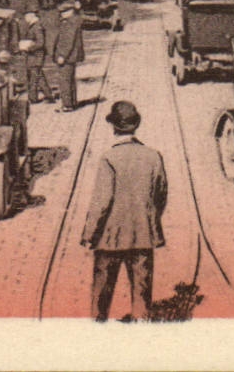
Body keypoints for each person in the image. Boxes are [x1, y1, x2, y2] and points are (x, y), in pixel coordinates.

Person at [81, 101, 168, 323]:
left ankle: (96, 332)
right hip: (142, 236)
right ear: (135, 126)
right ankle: (140, 337)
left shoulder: (109, 158)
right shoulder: (153, 156)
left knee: (101, 293)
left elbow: (101, 202)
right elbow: (160, 195)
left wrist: (89, 234)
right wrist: (149, 220)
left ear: (114, 128)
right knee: (142, 294)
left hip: (109, 237)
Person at [51, 2, 86, 112]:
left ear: (70, 11)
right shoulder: (74, 21)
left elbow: (67, 42)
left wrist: (62, 56)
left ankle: (67, 105)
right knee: (70, 80)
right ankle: (72, 102)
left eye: (64, 12)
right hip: (72, 56)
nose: (61, 14)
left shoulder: (69, 23)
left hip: (67, 57)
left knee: (64, 80)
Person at [21, 11, 52, 103]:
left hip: (36, 56)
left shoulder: (37, 27)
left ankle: (33, 98)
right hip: (34, 57)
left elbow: (40, 43)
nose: (25, 19)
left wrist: (28, 48)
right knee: (39, 76)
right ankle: (49, 95)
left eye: (26, 16)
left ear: (31, 16)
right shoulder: (34, 26)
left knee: (34, 78)